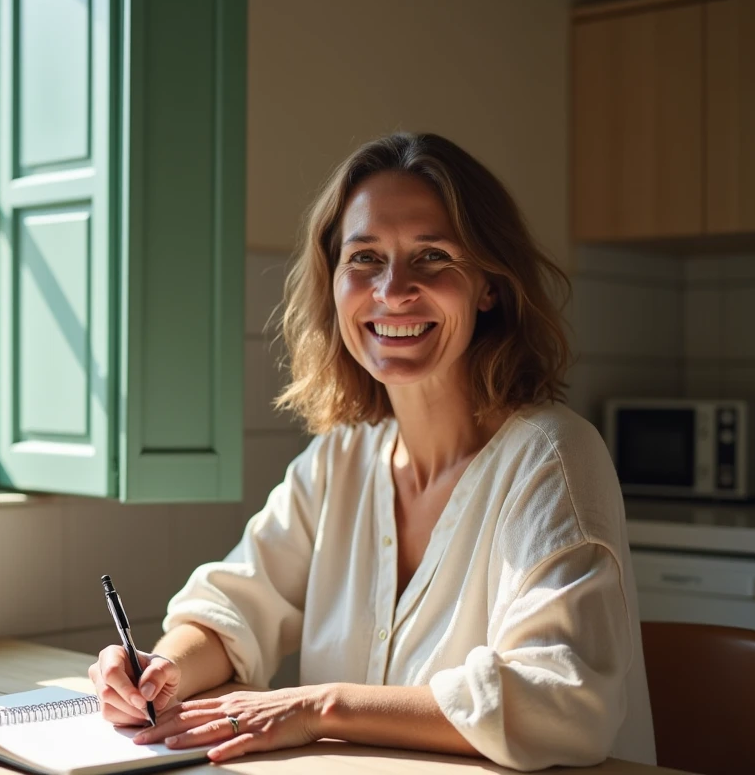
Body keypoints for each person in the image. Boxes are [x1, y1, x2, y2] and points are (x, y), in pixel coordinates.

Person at [88, 132, 656, 771]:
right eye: (364, 258)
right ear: (334, 282)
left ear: (490, 286)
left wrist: (315, 708)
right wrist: (163, 669)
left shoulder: (552, 457)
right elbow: (233, 608)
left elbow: (563, 701)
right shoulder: (340, 462)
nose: (393, 289)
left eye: (433, 255)